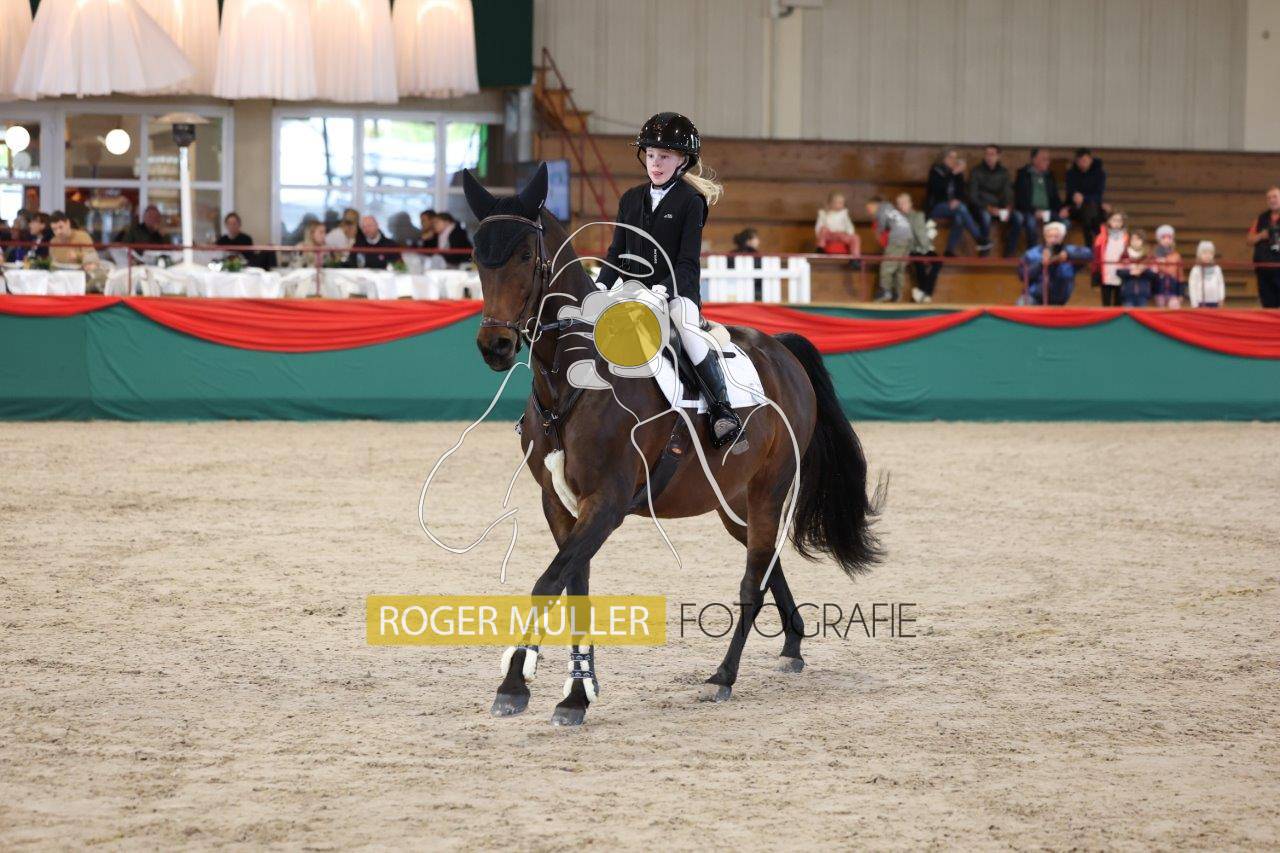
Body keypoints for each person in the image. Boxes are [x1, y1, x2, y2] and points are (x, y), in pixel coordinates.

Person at [595, 111, 741, 446]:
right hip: (632, 292)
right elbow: (616, 253)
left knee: (688, 334)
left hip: (677, 294)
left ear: (682, 160)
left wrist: (664, 289)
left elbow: (687, 261)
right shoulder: (630, 199)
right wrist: (600, 286)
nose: (655, 163)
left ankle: (722, 410)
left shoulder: (691, 201)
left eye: (664, 156)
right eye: (650, 155)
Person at [925, 148, 989, 256]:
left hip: (954, 208)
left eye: (955, 158)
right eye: (951, 157)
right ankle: (979, 239)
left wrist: (957, 200)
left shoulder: (958, 173)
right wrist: (953, 173)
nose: (954, 160)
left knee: (959, 218)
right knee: (961, 208)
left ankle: (949, 251)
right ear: (944, 159)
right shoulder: (936, 170)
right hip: (936, 206)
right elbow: (937, 190)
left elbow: (961, 193)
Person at [1016, 221, 1092, 305]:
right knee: (1021, 305)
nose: (1053, 240)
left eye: (1056, 237)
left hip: (1058, 301)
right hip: (1034, 297)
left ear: (1062, 238)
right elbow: (1022, 275)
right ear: (1045, 237)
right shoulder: (1032, 253)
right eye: (1050, 236)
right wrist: (1041, 264)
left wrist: (1068, 255)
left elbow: (1089, 255)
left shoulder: (1069, 250)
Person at [968, 144, 1018, 256]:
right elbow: (972, 196)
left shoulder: (1004, 172)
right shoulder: (976, 171)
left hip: (1000, 207)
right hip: (981, 207)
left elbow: (1008, 192)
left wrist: (1008, 207)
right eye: (987, 154)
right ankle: (984, 249)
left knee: (1018, 218)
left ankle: (1009, 252)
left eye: (992, 154)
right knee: (985, 217)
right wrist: (987, 207)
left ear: (998, 156)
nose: (989, 157)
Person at [1013, 148, 1065, 251]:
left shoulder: (1049, 176)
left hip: (1048, 211)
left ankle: (1056, 252)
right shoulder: (1023, 175)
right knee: (1031, 224)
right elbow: (1020, 199)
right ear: (1034, 160)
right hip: (1029, 211)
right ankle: (1033, 252)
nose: (1047, 162)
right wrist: (1034, 211)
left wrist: (1062, 209)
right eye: (1044, 159)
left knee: (1063, 222)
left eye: (1048, 159)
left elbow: (1055, 198)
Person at [865, 195, 912, 302]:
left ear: (875, 205)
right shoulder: (891, 208)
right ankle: (898, 293)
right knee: (899, 267)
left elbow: (880, 226)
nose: (869, 212)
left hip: (897, 238)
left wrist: (878, 232)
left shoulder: (881, 209)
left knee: (887, 265)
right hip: (908, 237)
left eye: (869, 208)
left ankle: (885, 291)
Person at [896, 193, 940, 303]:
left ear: (910, 203)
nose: (901, 206)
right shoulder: (898, 219)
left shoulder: (918, 215)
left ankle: (925, 292)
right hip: (911, 249)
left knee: (937, 262)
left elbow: (921, 235)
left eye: (904, 203)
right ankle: (925, 293)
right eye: (899, 204)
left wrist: (926, 249)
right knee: (919, 262)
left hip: (921, 248)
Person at [1064, 148, 1109, 242]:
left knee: (1091, 212)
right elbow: (1069, 193)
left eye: (1084, 160)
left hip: (1093, 206)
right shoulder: (1071, 174)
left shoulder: (1100, 174)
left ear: (1090, 160)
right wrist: (1074, 198)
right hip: (1076, 208)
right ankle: (1096, 242)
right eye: (1079, 161)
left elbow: (1098, 195)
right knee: (1092, 214)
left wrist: (1084, 198)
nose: (1082, 163)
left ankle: (1092, 243)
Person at [1247, 186, 1280, 308]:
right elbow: (1249, 240)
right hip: (1263, 271)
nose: (1272, 200)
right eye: (1269, 198)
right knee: (1267, 305)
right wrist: (1261, 235)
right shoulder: (1261, 218)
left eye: (1275, 197)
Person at [1091, 210, 1129, 307]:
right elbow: (1096, 256)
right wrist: (1096, 273)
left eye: (1119, 221)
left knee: (1119, 302)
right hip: (1106, 272)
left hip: (1120, 273)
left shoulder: (1126, 238)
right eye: (1114, 220)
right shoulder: (1101, 237)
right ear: (1108, 221)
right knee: (1106, 303)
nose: (1116, 223)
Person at [815, 192, 860, 265]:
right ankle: (820, 248)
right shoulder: (823, 213)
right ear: (831, 203)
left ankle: (855, 258)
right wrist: (819, 235)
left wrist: (850, 233)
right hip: (830, 235)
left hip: (841, 234)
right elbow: (818, 226)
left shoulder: (844, 213)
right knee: (823, 229)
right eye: (838, 202)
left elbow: (849, 225)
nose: (841, 204)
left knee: (856, 237)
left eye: (842, 203)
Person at [1117, 229, 1155, 307]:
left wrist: (1143, 270)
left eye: (1138, 239)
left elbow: (1153, 274)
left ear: (1143, 241)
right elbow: (1119, 272)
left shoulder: (1149, 256)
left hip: (1143, 292)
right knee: (1128, 312)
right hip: (1128, 292)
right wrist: (1130, 272)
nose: (1135, 241)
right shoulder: (1125, 255)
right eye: (1133, 239)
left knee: (1142, 312)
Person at [1151, 225, 1183, 309]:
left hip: (1173, 290)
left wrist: (1180, 293)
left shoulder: (1176, 255)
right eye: (1163, 237)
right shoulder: (1154, 255)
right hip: (1159, 290)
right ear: (1159, 239)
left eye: (1169, 237)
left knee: (1174, 311)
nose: (1166, 240)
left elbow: (1179, 275)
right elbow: (1152, 272)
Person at [1187, 241, 1225, 308]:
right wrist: (1194, 302)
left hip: (1214, 300)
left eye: (1210, 253)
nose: (1207, 255)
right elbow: (1192, 286)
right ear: (1199, 255)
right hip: (1200, 301)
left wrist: (1221, 297)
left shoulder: (1217, 269)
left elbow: (1221, 284)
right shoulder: (1196, 269)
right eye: (1204, 253)